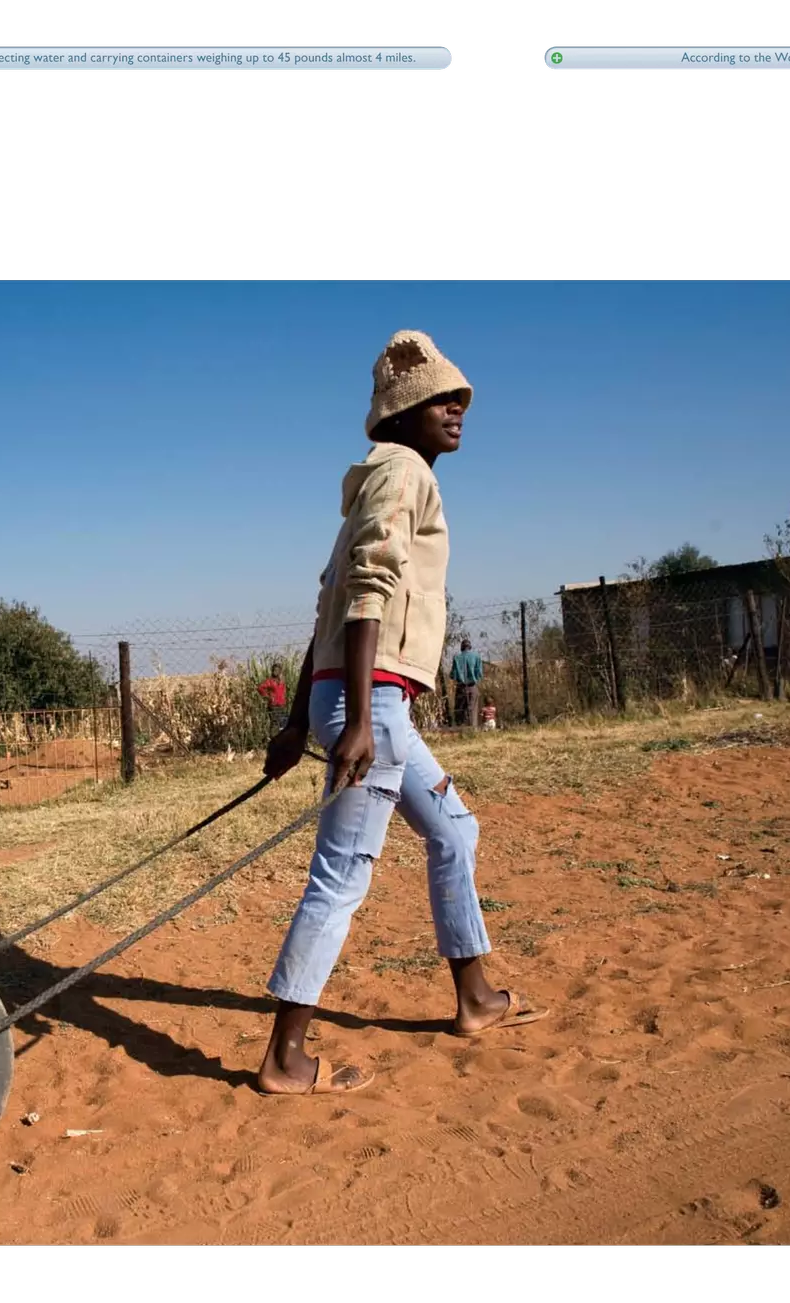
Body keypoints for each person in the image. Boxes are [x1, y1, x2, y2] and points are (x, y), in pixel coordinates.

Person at [256, 330, 546, 1096]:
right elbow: (361, 594)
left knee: (455, 829)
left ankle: (477, 997)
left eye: (461, 399)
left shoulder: (377, 483)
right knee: (342, 872)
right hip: (369, 701)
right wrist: (349, 718)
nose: (457, 409)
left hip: (364, 699)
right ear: (403, 413)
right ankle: (284, 1057)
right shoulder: (405, 472)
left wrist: (298, 722)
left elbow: (329, 599)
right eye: (442, 400)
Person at [449, 637, 484, 728]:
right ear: (470, 647)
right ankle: (472, 729)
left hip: (460, 687)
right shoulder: (476, 657)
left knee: (460, 710)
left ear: (462, 647)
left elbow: (453, 675)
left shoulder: (457, 658)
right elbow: (479, 674)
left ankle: (460, 730)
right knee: (472, 710)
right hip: (472, 686)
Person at [257, 662, 289, 735]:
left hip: (281, 705)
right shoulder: (270, 681)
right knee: (274, 722)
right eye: (274, 670)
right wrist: (268, 696)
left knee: (282, 722)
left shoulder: (282, 681)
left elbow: (283, 691)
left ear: (280, 671)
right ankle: (273, 739)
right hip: (273, 705)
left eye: (277, 670)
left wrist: (284, 699)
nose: (275, 671)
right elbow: (260, 688)